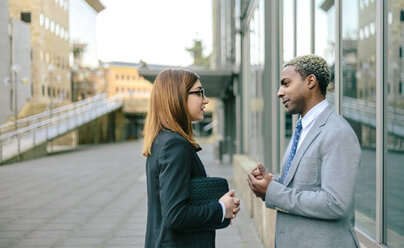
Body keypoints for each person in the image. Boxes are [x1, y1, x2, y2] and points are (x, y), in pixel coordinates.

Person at [247, 55, 361, 248]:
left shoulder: (338, 132)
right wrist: (272, 182)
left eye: (286, 83)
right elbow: (304, 186)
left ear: (310, 81)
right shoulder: (303, 129)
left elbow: (335, 203)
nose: (279, 93)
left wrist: (274, 191)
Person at [142, 68, 240, 248]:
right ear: (176, 96)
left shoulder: (161, 141)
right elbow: (176, 215)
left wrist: (220, 211)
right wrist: (220, 209)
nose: (205, 100)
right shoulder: (174, 145)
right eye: (198, 92)